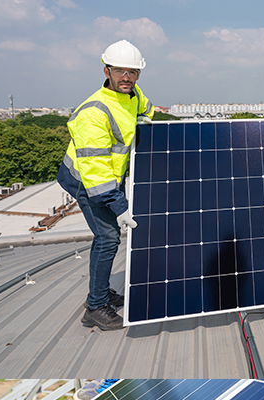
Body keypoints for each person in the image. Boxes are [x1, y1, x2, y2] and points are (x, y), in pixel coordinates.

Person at [57, 39, 154, 330]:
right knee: (109, 237)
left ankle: (101, 292)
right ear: (106, 71)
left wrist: (145, 119)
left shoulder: (133, 95)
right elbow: (95, 171)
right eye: (120, 71)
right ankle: (96, 307)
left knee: (111, 236)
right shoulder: (94, 112)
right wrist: (120, 206)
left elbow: (146, 108)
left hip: (108, 177)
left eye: (133, 72)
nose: (127, 77)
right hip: (86, 181)